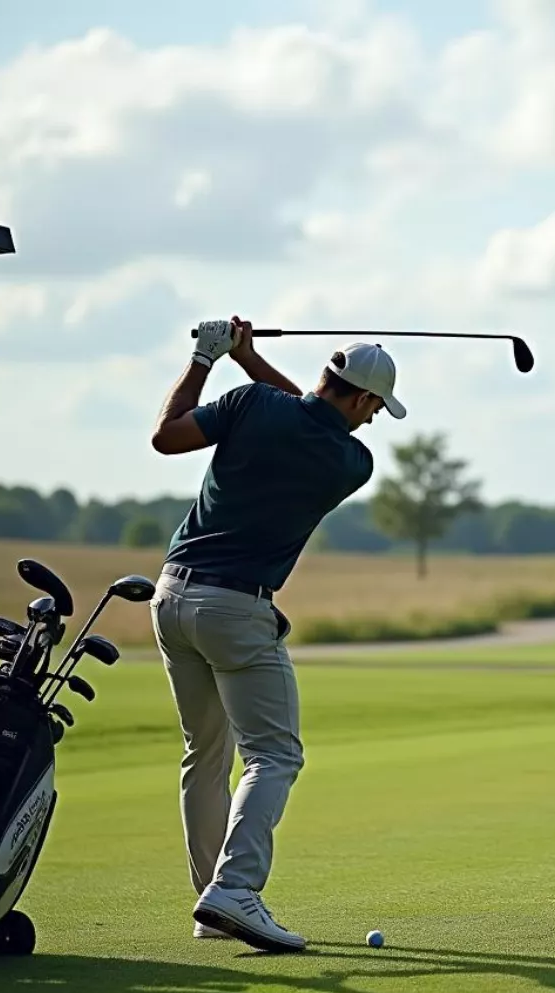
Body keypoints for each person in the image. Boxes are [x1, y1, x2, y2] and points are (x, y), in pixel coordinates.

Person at [149, 317, 405, 951]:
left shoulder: (250, 404)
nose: (374, 422)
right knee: (274, 755)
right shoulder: (352, 460)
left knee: (203, 756)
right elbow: (307, 416)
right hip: (237, 609)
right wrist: (245, 358)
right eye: (376, 409)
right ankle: (234, 893)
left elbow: (166, 437)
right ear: (365, 400)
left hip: (171, 596)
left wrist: (214, 358)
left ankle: (212, 902)